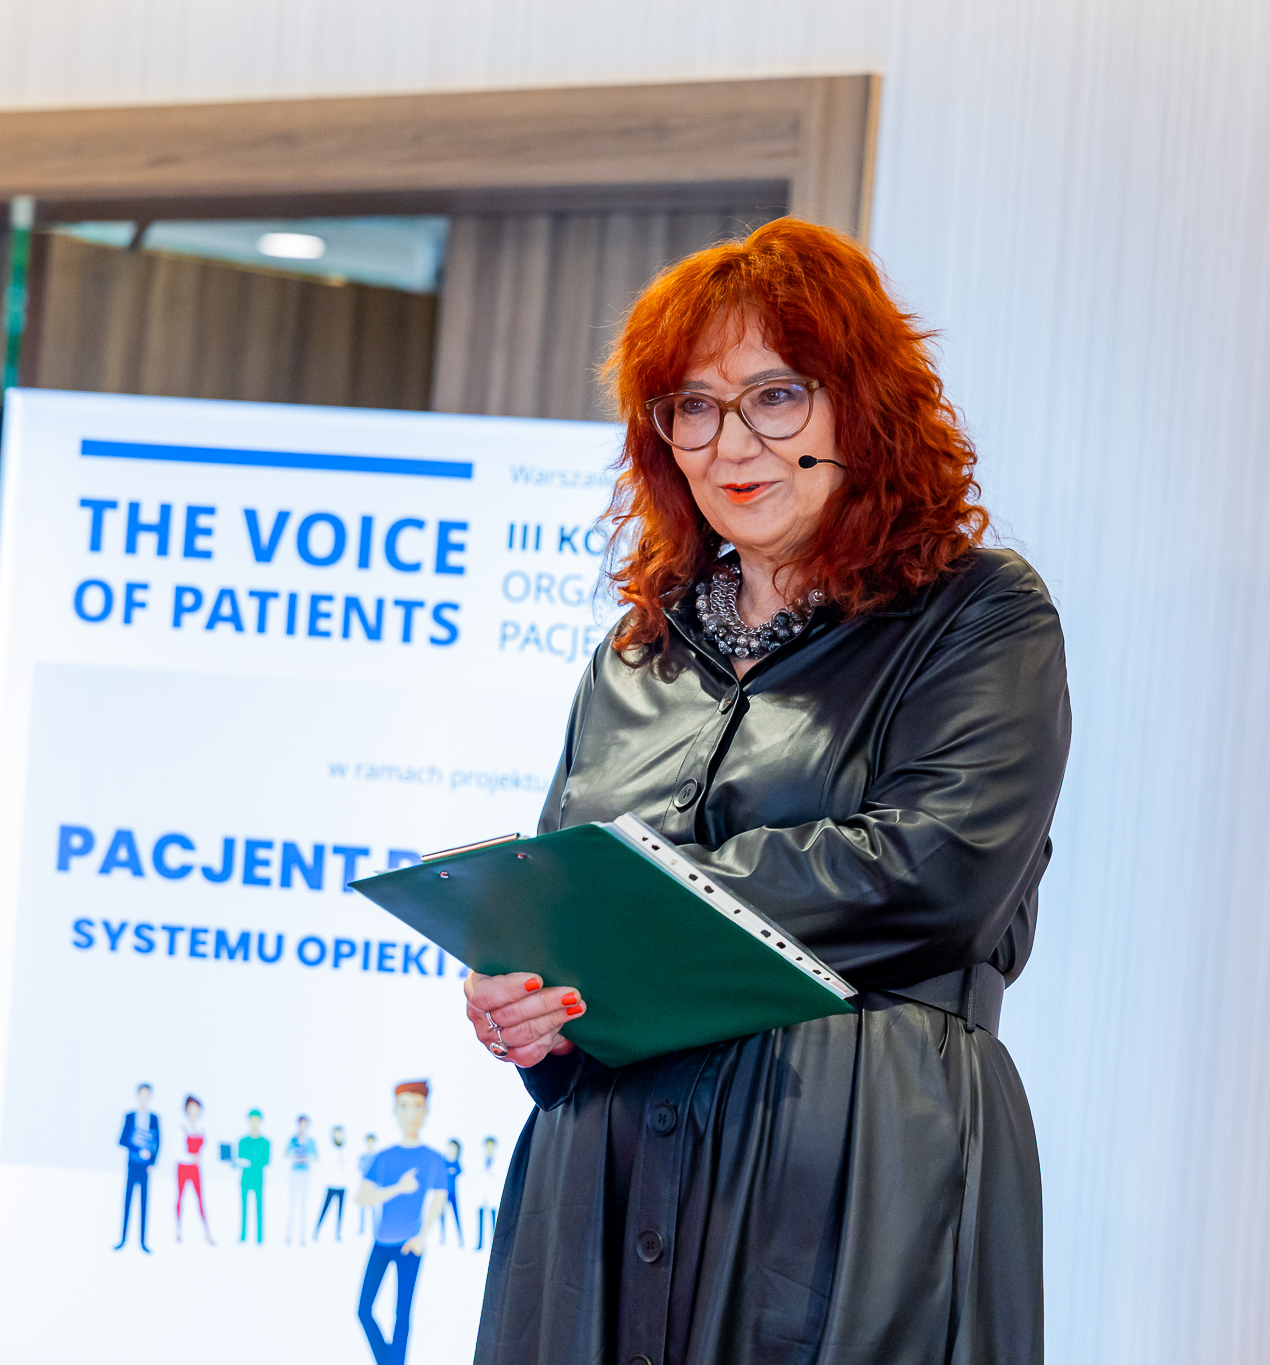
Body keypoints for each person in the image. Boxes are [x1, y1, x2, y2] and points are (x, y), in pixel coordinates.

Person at [462, 218, 1071, 1365]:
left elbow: (937, 873)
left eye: (774, 396)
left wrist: (641, 900)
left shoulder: (978, 613)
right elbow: (563, 911)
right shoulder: (630, 659)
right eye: (691, 406)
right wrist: (532, 1017)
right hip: (604, 1178)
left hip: (857, 1168)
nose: (729, 442)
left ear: (861, 409)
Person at [353, 1081, 450, 1365]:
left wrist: (422, 1236)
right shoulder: (383, 1157)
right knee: (363, 1310)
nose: (411, 1114)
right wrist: (398, 1188)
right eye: (404, 1106)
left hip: (410, 1245)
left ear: (426, 1111)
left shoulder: (433, 1158)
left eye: (418, 1107)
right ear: (395, 1111)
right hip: (381, 1242)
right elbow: (362, 1197)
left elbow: (439, 1198)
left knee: (402, 1315)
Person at [114, 1083, 160, 1252]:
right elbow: (122, 1140)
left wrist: (152, 1161)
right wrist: (138, 1149)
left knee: (144, 1204)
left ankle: (142, 1242)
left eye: (147, 1095)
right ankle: (122, 1240)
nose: (144, 1098)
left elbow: (158, 1142)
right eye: (142, 1094)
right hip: (132, 1165)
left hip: (145, 1168)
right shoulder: (130, 1116)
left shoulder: (154, 1118)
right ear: (137, 1095)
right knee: (128, 1202)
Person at [174, 1094, 215, 1245]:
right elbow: (177, 1152)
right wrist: (192, 1158)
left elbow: (207, 1150)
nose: (194, 1111)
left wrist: (200, 1159)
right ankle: (178, 1230)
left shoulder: (201, 1129)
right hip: (183, 1168)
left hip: (196, 1169)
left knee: (200, 1199)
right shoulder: (182, 1128)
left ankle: (207, 1232)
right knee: (180, 1197)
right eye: (191, 1108)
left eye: (196, 1109)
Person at [233, 1108, 271, 1243]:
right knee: (244, 1209)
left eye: (257, 1120)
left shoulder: (265, 1142)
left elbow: (266, 1161)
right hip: (245, 1178)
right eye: (252, 1120)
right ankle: (243, 1236)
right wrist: (235, 1162)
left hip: (258, 1178)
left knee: (259, 1208)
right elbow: (239, 1159)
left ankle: (259, 1237)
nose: (254, 1122)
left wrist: (249, 1162)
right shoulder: (242, 1141)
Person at [284, 1114, 318, 1245]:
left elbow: (315, 1157)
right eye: (301, 1123)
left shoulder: (310, 1141)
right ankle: (289, 1236)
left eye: (305, 1124)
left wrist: (305, 1158)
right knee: (292, 1205)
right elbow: (287, 1154)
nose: (303, 1126)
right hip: (294, 1173)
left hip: (305, 1174)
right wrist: (296, 1157)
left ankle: (302, 1238)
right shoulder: (293, 1140)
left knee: (303, 1206)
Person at [314, 1125, 352, 1240]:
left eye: (340, 1134)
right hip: (331, 1184)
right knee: (325, 1209)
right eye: (336, 1134)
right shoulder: (329, 1150)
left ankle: (338, 1234)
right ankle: (316, 1231)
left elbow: (349, 1166)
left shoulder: (346, 1151)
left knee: (340, 1212)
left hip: (342, 1185)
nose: (338, 1136)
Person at [472, 1136, 500, 1252]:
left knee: (493, 1220)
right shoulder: (480, 1160)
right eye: (488, 1146)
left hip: (491, 1193)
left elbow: (497, 1173)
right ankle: (480, 1243)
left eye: (491, 1146)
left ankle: (493, 1243)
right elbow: (477, 1173)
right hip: (482, 1193)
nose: (489, 1148)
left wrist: (489, 1172)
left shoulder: (498, 1161)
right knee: (480, 1219)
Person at [436, 1138, 464, 1246]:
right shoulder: (444, 1160)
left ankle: (460, 1239)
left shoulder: (456, 1161)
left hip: (453, 1193)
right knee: (442, 1215)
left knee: (456, 1215)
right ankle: (442, 1237)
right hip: (444, 1193)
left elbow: (460, 1171)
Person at [356, 1133, 378, 1240]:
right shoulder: (362, 1157)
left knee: (373, 1207)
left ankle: (374, 1228)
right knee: (362, 1207)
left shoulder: (376, 1156)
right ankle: (361, 1228)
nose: (370, 1144)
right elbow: (360, 1169)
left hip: (373, 1186)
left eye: (371, 1141)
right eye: (368, 1141)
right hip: (364, 1184)